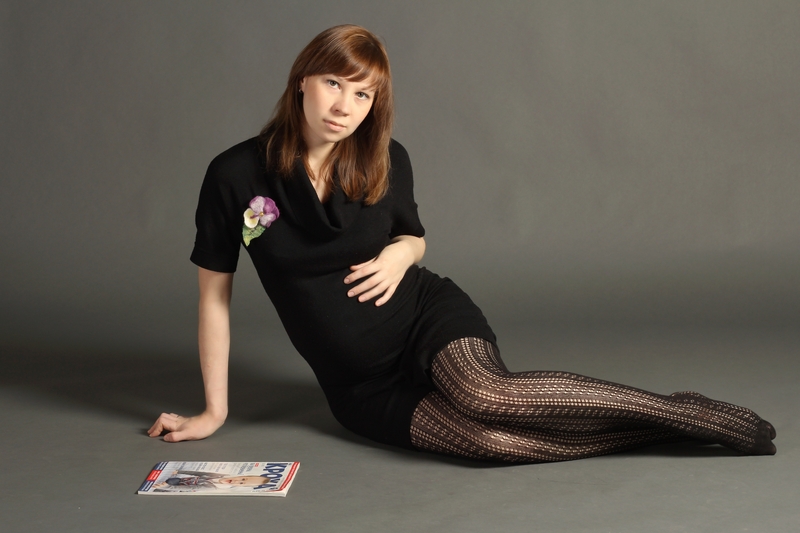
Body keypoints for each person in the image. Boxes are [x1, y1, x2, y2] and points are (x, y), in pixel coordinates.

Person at [148, 24, 776, 462]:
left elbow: (413, 238)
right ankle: (656, 432)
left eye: (363, 94)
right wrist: (213, 412)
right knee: (490, 443)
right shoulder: (235, 175)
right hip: (358, 385)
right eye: (334, 83)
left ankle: (681, 413)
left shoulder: (386, 158)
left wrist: (401, 254)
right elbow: (215, 298)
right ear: (302, 81)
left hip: (423, 320)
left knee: (488, 396)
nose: (345, 106)